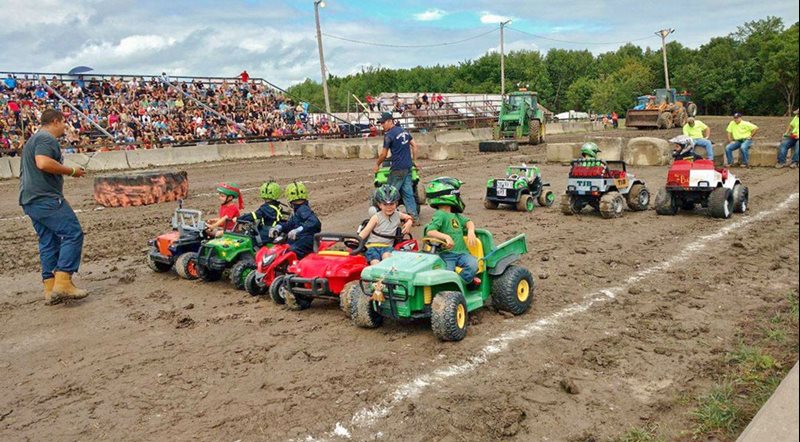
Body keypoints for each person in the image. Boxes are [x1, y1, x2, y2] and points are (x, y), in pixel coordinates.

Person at [19, 109, 88, 304]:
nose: (65, 127)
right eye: (64, 122)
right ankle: (63, 281)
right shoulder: (46, 139)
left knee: (48, 241)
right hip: (45, 198)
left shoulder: (32, 140)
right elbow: (42, 163)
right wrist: (71, 170)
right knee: (73, 233)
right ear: (56, 121)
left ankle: (50, 287)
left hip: (30, 198)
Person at [423, 177, 480, 288]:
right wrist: (445, 236)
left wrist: (471, 231)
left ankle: (462, 284)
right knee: (448, 275)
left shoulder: (456, 215)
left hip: (462, 253)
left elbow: (468, 222)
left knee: (473, 265)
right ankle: (454, 287)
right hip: (447, 255)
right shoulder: (440, 214)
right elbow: (430, 231)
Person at [374, 112, 419, 223]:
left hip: (397, 168)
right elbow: (415, 145)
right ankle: (414, 218)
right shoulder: (403, 131)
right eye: (381, 123)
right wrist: (415, 161)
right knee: (408, 193)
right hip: (407, 167)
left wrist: (377, 164)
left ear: (390, 121)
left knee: (389, 194)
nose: (382, 125)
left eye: (383, 123)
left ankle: (388, 219)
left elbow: (384, 154)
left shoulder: (389, 135)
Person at [359, 185, 413, 265]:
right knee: (375, 262)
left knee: (387, 258)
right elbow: (366, 231)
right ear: (379, 205)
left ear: (396, 203)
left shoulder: (398, 215)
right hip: (372, 246)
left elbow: (409, 218)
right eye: (385, 204)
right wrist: (356, 240)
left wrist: (409, 222)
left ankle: (387, 275)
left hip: (387, 247)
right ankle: (377, 276)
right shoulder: (376, 217)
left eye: (392, 204)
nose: (389, 207)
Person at [270, 182, 321, 259]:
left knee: (290, 252)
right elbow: (290, 224)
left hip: (307, 239)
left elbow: (314, 222)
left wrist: (298, 230)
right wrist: (278, 227)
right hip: (303, 238)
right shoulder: (298, 210)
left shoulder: (303, 210)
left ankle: (292, 269)